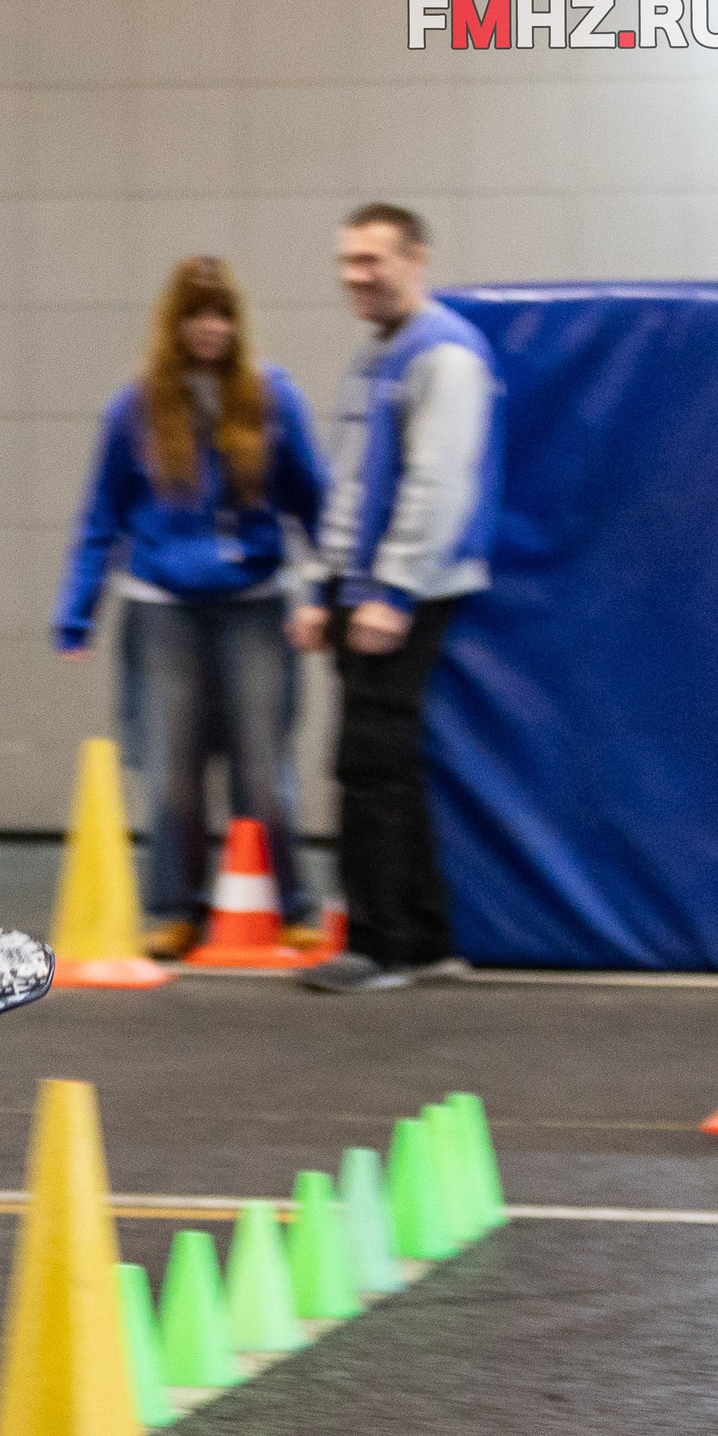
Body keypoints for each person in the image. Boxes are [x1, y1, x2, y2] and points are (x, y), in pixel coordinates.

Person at [52, 256, 328, 958]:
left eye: (222, 313)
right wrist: (77, 610)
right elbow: (100, 515)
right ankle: (175, 909)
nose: (210, 327)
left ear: (237, 323)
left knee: (264, 765)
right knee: (171, 766)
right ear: (174, 324)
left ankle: (294, 904)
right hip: (161, 608)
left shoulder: (273, 400)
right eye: (197, 313)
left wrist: (324, 590)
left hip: (256, 604)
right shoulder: (135, 408)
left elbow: (315, 503)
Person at [293, 203, 501, 993]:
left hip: (401, 590)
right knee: (388, 765)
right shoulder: (377, 356)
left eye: (372, 260)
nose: (356, 275)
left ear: (417, 258)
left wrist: (395, 590)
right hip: (362, 584)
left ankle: (378, 945)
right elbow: (352, 481)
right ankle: (424, 937)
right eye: (348, 260)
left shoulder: (442, 357)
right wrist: (324, 584)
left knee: (369, 763)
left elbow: (439, 483)